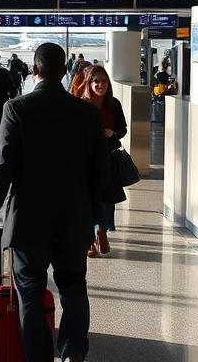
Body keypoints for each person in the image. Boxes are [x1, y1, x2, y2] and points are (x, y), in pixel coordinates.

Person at [0, 43, 109, 362]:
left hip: (28, 221)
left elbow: (2, 165)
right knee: (73, 286)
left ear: (34, 70)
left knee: (30, 294)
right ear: (65, 71)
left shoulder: (17, 108)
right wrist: (93, 217)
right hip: (74, 220)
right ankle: (72, 351)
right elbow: (101, 172)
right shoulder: (87, 113)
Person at [75, 65, 127, 258]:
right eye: (96, 81)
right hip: (86, 160)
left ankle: (102, 230)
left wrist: (113, 133)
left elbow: (122, 128)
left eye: (104, 81)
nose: (100, 85)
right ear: (89, 83)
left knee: (106, 198)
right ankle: (89, 238)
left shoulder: (113, 104)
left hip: (108, 158)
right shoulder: (81, 104)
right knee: (86, 199)